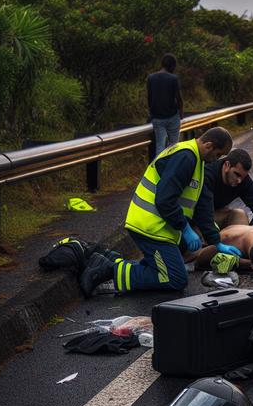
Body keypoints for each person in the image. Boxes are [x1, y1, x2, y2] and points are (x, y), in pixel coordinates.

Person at [79, 127, 243, 296]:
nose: (217, 160)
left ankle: (111, 264)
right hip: (150, 226)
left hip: (161, 227)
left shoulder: (197, 161)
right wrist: (185, 229)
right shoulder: (186, 157)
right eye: (218, 155)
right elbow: (165, 199)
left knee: (166, 268)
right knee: (175, 279)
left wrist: (217, 242)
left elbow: (202, 207)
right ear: (209, 146)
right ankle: (109, 270)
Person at [204, 148, 253, 228]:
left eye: (243, 177)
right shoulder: (208, 174)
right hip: (197, 216)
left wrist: (251, 231)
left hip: (215, 214)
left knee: (239, 215)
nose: (239, 181)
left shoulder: (242, 179)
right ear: (227, 165)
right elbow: (202, 213)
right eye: (237, 174)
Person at [147, 54, 184, 153]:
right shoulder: (173, 78)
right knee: (173, 146)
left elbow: (150, 98)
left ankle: (159, 166)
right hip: (172, 116)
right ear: (172, 66)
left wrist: (152, 113)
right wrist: (181, 113)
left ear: (162, 64)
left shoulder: (151, 78)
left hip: (157, 117)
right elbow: (179, 98)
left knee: (160, 146)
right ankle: (171, 166)